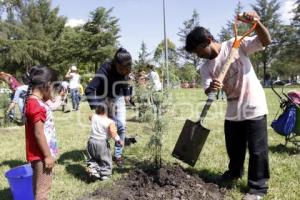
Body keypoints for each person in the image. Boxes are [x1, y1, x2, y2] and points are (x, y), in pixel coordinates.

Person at [185, 12, 271, 200]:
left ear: (207, 41)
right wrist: (212, 88)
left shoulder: (235, 44)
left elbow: (265, 40)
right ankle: (234, 172)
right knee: (234, 148)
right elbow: (208, 89)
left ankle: (257, 188)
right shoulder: (205, 67)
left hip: (253, 105)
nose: (198, 55)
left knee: (257, 150)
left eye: (198, 50)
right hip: (233, 110)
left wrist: (257, 23)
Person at [85, 48, 132, 168]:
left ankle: (118, 155)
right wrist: (98, 109)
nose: (123, 72)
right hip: (104, 98)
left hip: (118, 97)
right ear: (115, 63)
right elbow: (89, 89)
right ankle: (102, 154)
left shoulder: (125, 71)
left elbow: (125, 80)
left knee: (121, 125)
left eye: (126, 70)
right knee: (104, 127)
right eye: (121, 69)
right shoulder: (105, 69)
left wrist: (126, 93)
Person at [23, 65, 59, 200]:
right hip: (41, 156)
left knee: (38, 187)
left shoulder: (33, 101)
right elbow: (38, 133)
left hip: (38, 155)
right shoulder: (37, 105)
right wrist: (48, 156)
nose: (53, 93)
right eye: (54, 89)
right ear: (47, 85)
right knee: (43, 191)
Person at [86, 100, 124, 180]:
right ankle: (105, 174)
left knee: (92, 157)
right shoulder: (110, 122)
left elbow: (90, 116)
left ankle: (93, 169)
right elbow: (113, 133)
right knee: (105, 158)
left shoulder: (94, 116)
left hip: (91, 141)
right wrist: (119, 140)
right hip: (102, 143)